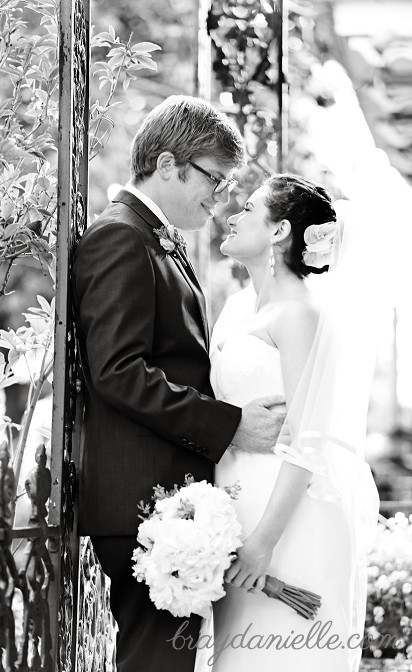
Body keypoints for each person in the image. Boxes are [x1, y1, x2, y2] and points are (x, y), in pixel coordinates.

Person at [71, 95, 286, 672]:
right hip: (145, 502)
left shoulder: (154, 238)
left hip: (169, 500)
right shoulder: (122, 238)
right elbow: (118, 371)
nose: (218, 201)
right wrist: (232, 425)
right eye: (214, 181)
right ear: (168, 164)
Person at [205, 174, 381, 671]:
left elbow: (309, 441)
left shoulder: (301, 313)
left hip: (285, 520)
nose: (233, 215)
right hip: (233, 512)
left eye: (250, 208)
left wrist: (263, 543)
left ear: (280, 231)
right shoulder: (237, 309)